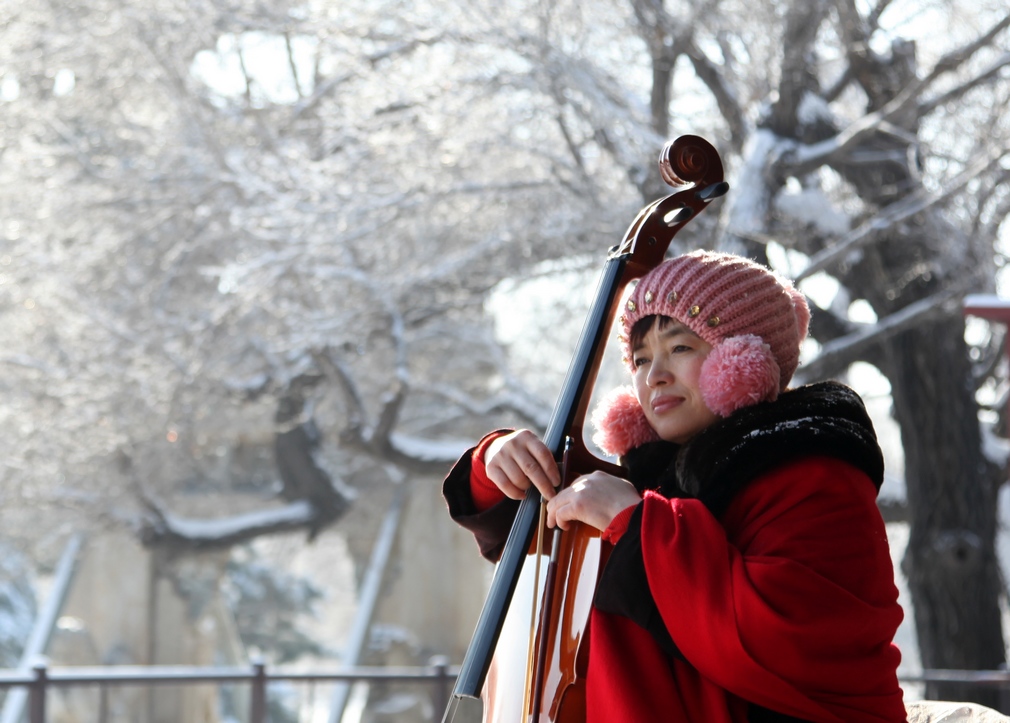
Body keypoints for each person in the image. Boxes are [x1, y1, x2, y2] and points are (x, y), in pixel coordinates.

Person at [442, 250, 907, 723]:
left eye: (680, 348)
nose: (654, 376)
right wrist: (498, 463)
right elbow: (547, 542)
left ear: (741, 361)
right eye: (640, 359)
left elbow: (779, 638)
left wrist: (638, 525)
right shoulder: (660, 483)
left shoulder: (816, 476)